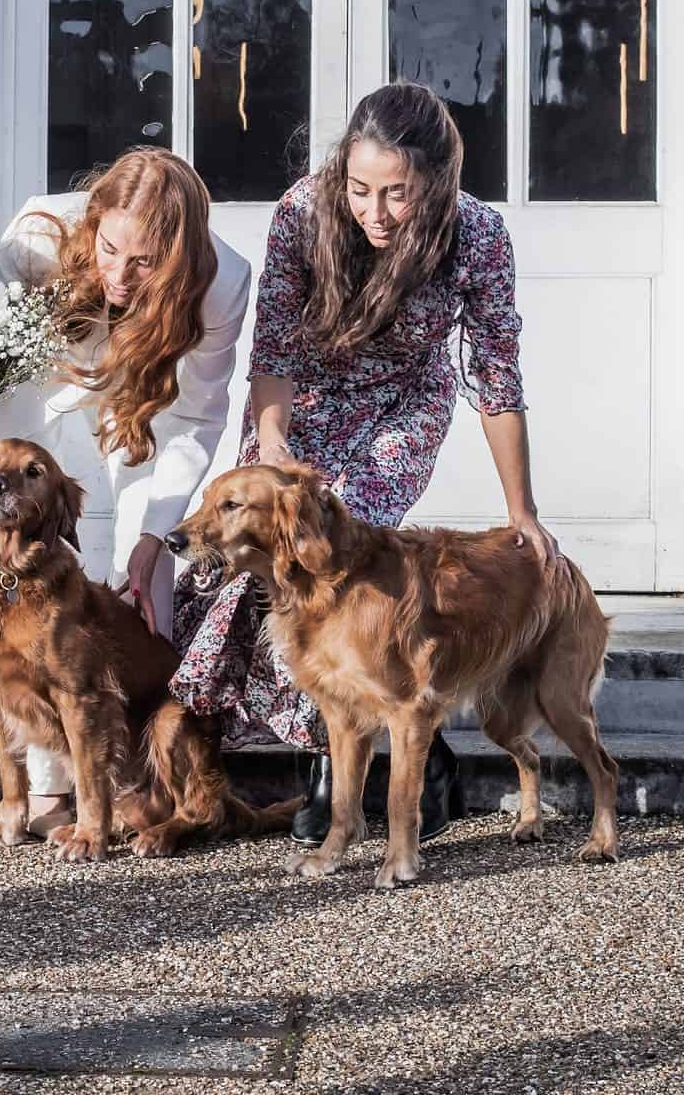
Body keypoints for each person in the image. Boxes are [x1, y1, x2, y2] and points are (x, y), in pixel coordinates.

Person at [170, 82, 562, 847]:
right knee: (260, 558)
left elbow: (496, 376)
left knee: (338, 550)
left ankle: (341, 766)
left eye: (396, 194)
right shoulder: (299, 213)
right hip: (302, 402)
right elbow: (275, 349)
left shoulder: (479, 235)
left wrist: (522, 510)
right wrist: (272, 441)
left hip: (405, 403)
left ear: (437, 183)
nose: (374, 212)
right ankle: (401, 752)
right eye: (359, 189)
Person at [0, 148, 250, 837]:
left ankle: (147, 793)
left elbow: (194, 422)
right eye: (110, 251)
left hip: (143, 407)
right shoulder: (37, 237)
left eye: (147, 262)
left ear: (181, 255)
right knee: (15, 531)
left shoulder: (222, 284)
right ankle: (47, 795)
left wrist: (152, 539)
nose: (122, 275)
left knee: (143, 594)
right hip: (32, 371)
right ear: (93, 221)